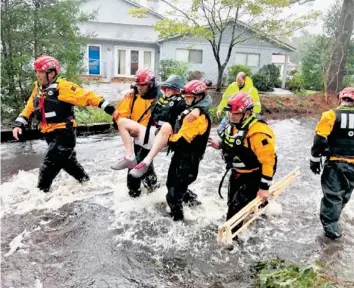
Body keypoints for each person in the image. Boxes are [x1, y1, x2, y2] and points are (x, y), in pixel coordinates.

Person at [12, 55, 116, 192]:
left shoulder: (63, 87)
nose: (38, 75)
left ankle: (40, 196)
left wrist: (110, 109)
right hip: (49, 134)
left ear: (52, 73)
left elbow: (87, 96)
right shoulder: (38, 88)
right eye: (36, 71)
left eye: (41, 72)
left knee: (48, 166)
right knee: (69, 164)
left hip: (63, 134)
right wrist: (19, 123)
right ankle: (88, 184)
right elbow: (30, 107)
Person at [130, 80, 212, 221]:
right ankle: (195, 204)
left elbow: (180, 141)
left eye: (188, 97)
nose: (185, 99)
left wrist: (164, 138)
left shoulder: (197, 118)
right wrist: (133, 89)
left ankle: (179, 223)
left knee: (173, 196)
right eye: (184, 96)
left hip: (189, 160)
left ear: (198, 97)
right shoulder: (190, 108)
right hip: (180, 158)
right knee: (171, 186)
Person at [209, 92, 277, 232]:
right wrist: (220, 145)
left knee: (235, 208)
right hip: (238, 171)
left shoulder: (259, 132)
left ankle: (232, 239)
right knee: (231, 202)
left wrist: (264, 187)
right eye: (230, 113)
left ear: (247, 113)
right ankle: (253, 209)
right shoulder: (234, 125)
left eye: (236, 113)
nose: (232, 116)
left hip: (255, 173)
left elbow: (268, 161)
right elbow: (235, 144)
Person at [310, 87, 354, 240]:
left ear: (341, 98)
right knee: (345, 194)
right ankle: (335, 223)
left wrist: (315, 159)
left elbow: (320, 138)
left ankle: (331, 234)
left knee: (332, 196)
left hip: (335, 163)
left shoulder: (330, 115)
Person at [216, 72, 261, 136]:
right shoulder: (231, 86)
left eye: (240, 82)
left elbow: (256, 105)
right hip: (231, 113)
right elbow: (225, 99)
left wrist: (251, 114)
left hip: (243, 115)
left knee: (242, 134)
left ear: (244, 80)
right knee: (220, 130)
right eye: (237, 81)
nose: (238, 84)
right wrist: (220, 109)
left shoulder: (252, 90)